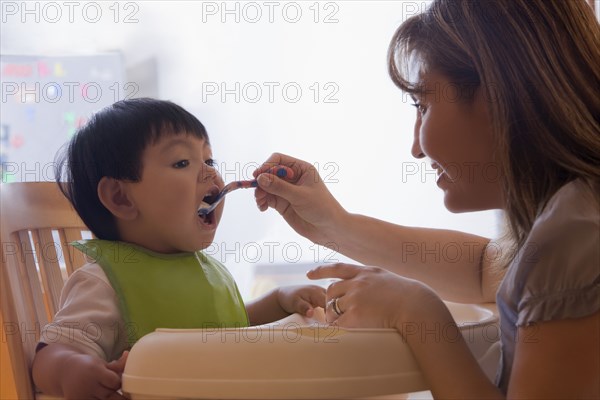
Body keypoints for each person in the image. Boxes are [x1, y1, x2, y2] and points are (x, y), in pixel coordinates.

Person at [252, 0, 600, 398]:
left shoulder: (575, 233)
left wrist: (414, 312)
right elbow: (485, 269)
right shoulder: (574, 215)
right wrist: (334, 224)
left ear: (496, 95)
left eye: (423, 105)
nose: (416, 147)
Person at [32, 98, 326, 400]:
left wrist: (278, 301)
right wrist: (73, 369)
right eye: (182, 163)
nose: (210, 174)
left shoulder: (204, 268)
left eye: (209, 161)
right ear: (121, 198)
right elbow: (52, 352)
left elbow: (227, 328)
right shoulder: (104, 282)